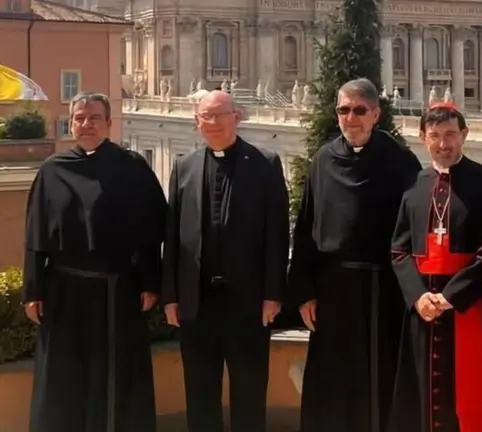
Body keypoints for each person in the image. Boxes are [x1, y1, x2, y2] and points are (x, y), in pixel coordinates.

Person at [22, 92, 167, 432]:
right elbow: (35, 236)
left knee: (117, 376)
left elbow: (150, 230)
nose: (86, 124)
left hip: (117, 292)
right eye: (80, 118)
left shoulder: (132, 168)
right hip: (64, 293)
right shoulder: (52, 171)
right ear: (70, 123)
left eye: (94, 118)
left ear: (109, 123)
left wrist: (149, 281)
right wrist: (33, 289)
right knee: (64, 376)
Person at [288, 77, 422, 432]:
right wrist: (305, 292)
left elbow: (413, 229)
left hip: (383, 292)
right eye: (343, 110)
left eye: (359, 110)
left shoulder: (400, 161)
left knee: (379, 379)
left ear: (376, 114)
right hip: (332, 291)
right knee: (332, 383)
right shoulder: (322, 160)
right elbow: (305, 228)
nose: (351, 118)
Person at [161, 90, 290, 432]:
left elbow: (278, 236)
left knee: (249, 394)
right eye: (207, 116)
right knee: (200, 395)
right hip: (197, 303)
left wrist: (273, 294)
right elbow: (172, 235)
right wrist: (171, 295)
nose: (214, 122)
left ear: (237, 117)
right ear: (197, 121)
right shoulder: (183, 167)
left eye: (221, 114)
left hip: (248, 304)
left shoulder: (265, 163)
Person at [388, 103, 482, 432]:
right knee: (424, 396)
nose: (443, 144)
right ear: (422, 138)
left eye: (450, 135)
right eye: (434, 136)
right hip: (423, 313)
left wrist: (448, 298)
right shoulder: (414, 186)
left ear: (464, 135)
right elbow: (398, 250)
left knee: (471, 396)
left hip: (468, 308)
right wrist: (418, 297)